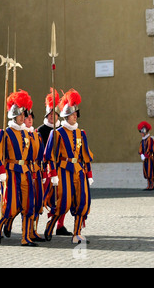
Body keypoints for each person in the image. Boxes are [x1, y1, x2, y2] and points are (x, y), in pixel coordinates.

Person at [43, 89, 94, 244]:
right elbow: (50, 155)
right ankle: (51, 224)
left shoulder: (81, 133)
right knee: (63, 202)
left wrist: (89, 174)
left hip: (79, 171)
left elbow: (85, 156)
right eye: (72, 114)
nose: (75, 116)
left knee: (82, 202)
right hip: (63, 170)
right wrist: (53, 174)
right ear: (66, 115)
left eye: (76, 114)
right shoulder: (56, 133)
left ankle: (77, 233)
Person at [0, 90, 37, 246]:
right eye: (20, 115)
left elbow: (30, 155)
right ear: (12, 115)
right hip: (10, 172)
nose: (23, 117)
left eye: (24, 114)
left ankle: (25, 238)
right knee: (11, 206)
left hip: (25, 172)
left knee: (29, 205)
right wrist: (0, 171)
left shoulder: (26, 134)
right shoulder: (4, 133)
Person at [37, 89, 72, 237]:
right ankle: (47, 225)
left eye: (55, 115)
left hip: (62, 168)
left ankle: (60, 225)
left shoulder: (63, 129)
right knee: (49, 198)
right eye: (50, 115)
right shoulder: (40, 130)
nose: (53, 117)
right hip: (47, 169)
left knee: (63, 197)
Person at [23, 105, 45, 242]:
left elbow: (41, 154)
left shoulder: (36, 135)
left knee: (37, 202)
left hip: (36, 171)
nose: (30, 119)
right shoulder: (21, 135)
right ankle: (1, 225)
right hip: (25, 171)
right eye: (27, 117)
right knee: (26, 203)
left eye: (31, 117)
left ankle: (33, 230)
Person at [138, 121, 154, 190]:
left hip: (150, 158)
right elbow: (140, 148)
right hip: (145, 159)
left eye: (142, 132)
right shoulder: (143, 141)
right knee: (146, 172)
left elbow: (151, 149)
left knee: (150, 172)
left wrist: (146, 155)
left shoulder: (150, 140)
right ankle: (148, 185)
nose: (141, 134)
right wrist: (141, 154)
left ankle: (152, 185)